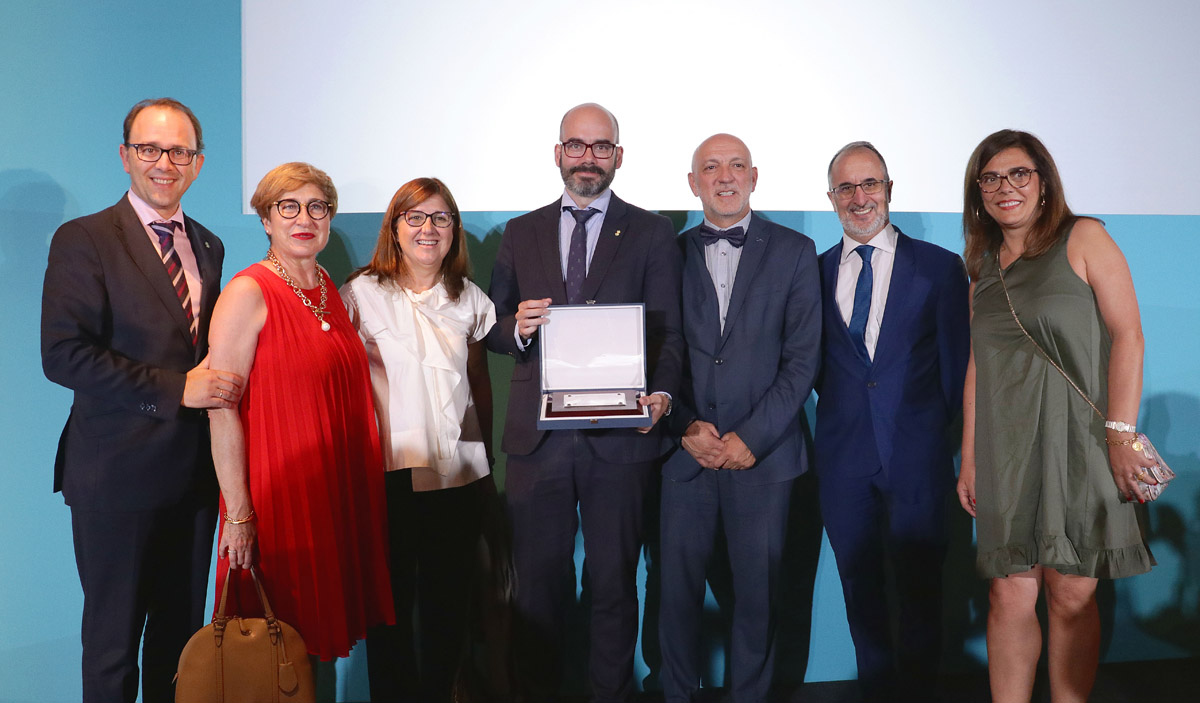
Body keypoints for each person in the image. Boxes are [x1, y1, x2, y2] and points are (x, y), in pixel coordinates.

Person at [40, 98, 241, 703]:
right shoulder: (84, 239)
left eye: (179, 152)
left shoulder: (208, 245)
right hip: (114, 479)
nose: (164, 163)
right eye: (150, 149)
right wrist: (175, 390)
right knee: (113, 650)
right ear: (125, 156)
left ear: (198, 164)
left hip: (192, 482)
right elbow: (64, 355)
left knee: (180, 648)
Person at [485, 102, 683, 702]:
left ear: (618, 157)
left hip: (622, 438)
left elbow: (670, 332)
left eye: (601, 147)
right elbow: (493, 325)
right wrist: (515, 326)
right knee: (537, 587)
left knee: (614, 585)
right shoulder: (521, 232)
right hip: (538, 440)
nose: (588, 158)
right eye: (577, 145)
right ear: (558, 154)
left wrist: (665, 395)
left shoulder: (650, 231)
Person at [956, 129, 1156, 703]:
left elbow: (1129, 336)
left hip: (1082, 443)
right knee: (1008, 595)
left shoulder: (1085, 236)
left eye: (1019, 173)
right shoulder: (981, 265)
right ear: (979, 193)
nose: (1005, 187)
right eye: (990, 178)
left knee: (1072, 594)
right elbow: (978, 366)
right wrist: (971, 457)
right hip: (1007, 449)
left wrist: (1120, 433)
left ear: (1044, 182)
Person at [207, 162, 394, 662]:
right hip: (277, 501)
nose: (303, 218)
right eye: (287, 207)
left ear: (330, 218)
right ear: (266, 219)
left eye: (317, 206)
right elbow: (219, 409)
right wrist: (239, 515)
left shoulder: (328, 285)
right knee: (276, 650)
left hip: (332, 490)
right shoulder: (248, 292)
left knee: (312, 648)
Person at [658, 134, 821, 703]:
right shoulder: (668, 253)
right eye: (710, 168)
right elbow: (657, 354)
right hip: (685, 457)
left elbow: (803, 360)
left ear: (755, 177)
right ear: (692, 183)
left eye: (735, 166)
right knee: (675, 598)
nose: (724, 177)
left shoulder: (797, 251)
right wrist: (685, 429)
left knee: (758, 598)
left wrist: (751, 437)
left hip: (765, 457)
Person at [814, 141, 970, 702]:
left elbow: (957, 373)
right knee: (861, 593)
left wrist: (933, 441)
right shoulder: (814, 273)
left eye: (870, 184)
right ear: (831, 197)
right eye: (847, 188)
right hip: (842, 463)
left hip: (916, 460)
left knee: (923, 592)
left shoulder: (939, 269)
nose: (860, 198)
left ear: (889, 189)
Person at [341, 177, 496, 702]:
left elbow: (478, 388)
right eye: (416, 217)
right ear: (395, 227)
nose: (428, 229)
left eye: (440, 218)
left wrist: (487, 469)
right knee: (390, 616)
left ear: (453, 230)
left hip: (457, 477)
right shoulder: (360, 294)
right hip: (388, 480)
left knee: (447, 613)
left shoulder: (470, 299)